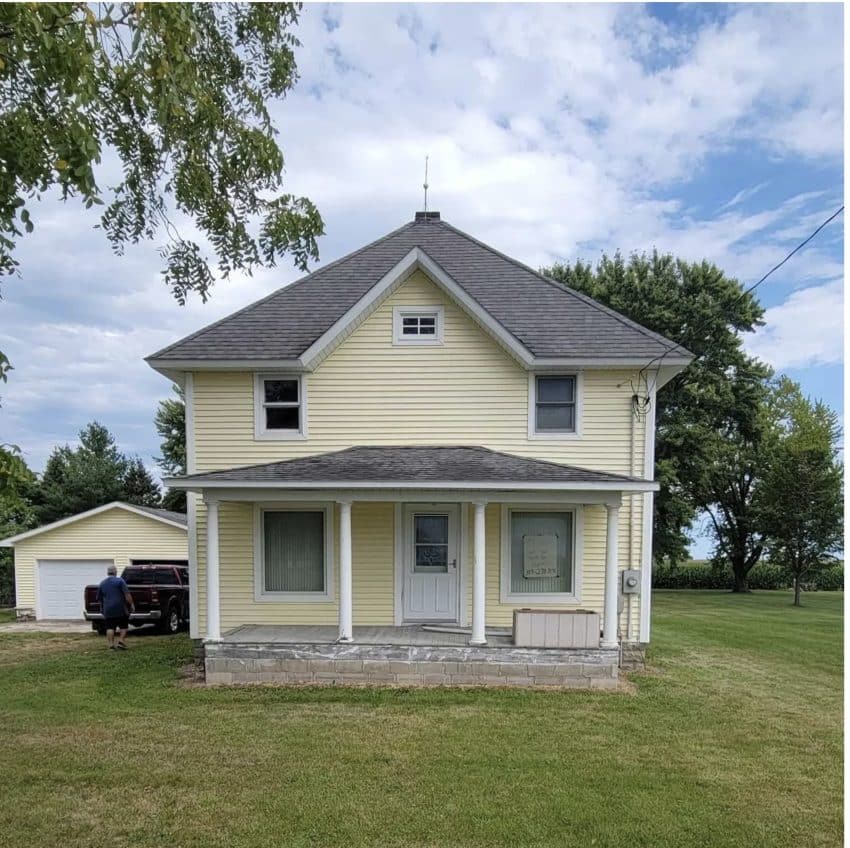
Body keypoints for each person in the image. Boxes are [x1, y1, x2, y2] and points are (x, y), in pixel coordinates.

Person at [96, 565, 135, 650]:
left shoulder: (102, 583)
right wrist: (131, 604)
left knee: (110, 627)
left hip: (108, 609)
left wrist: (102, 608)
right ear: (115, 572)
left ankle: (111, 646)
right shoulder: (120, 581)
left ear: (107, 572)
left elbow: (99, 598)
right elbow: (127, 595)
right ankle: (121, 641)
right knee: (123, 626)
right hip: (121, 608)